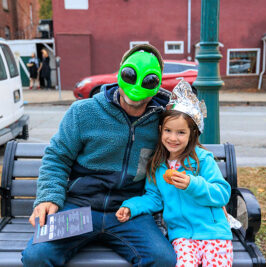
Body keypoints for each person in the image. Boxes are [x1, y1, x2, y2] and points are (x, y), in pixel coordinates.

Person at [21, 44, 176, 267]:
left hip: (128, 211)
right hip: (80, 208)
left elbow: (189, 150)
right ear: (121, 72)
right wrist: (48, 197)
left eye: (148, 80)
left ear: (156, 84)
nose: (136, 85)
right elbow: (57, 156)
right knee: (37, 256)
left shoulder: (163, 122)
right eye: (130, 75)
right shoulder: (83, 112)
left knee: (163, 259)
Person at [116, 80, 233, 267]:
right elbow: (154, 198)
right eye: (168, 131)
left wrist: (192, 184)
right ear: (161, 130)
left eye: (180, 133)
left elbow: (222, 194)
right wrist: (132, 206)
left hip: (213, 232)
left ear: (192, 134)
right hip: (181, 234)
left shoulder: (202, 160)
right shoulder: (158, 164)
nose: (173, 138)